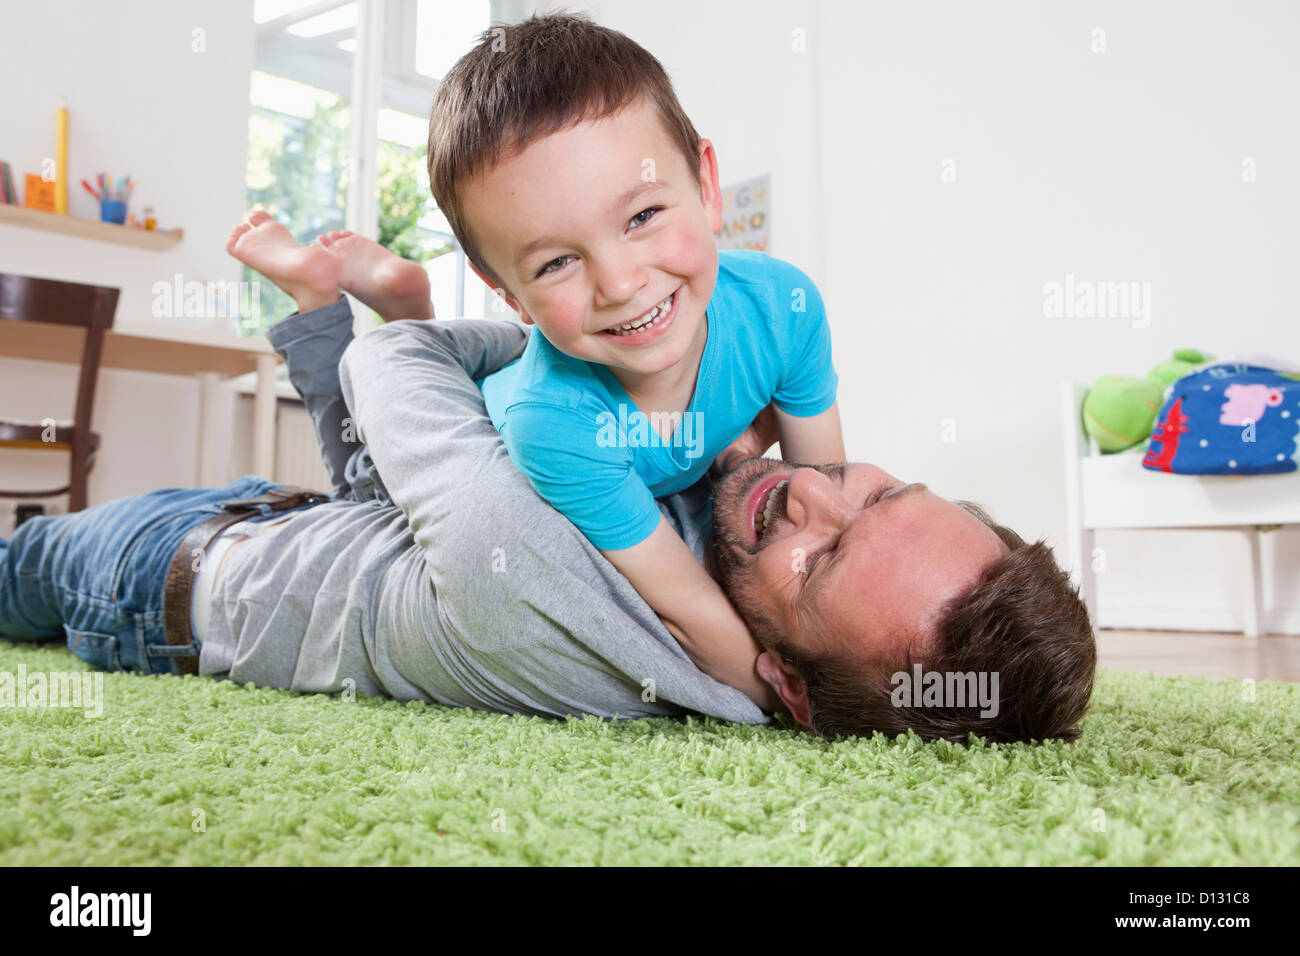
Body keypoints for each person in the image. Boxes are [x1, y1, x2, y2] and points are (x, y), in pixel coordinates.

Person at [0, 209, 1096, 743]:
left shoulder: (547, 590)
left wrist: (591, 341)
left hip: (159, 578)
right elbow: (405, 498)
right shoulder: (720, 580)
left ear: (790, 685)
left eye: (824, 554)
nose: (811, 486)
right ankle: (330, 301)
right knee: (401, 494)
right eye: (880, 490)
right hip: (337, 532)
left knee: (16, 567)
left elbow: (405, 371)